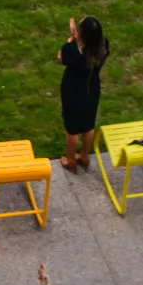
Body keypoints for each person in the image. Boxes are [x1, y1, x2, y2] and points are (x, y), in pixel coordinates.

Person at [57, 17, 108, 172]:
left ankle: (70, 160)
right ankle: (84, 156)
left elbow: (60, 58)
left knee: (72, 129)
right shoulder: (103, 45)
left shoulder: (72, 50)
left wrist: (71, 41)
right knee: (88, 124)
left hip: (73, 91)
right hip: (92, 89)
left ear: (83, 35)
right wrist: (76, 38)